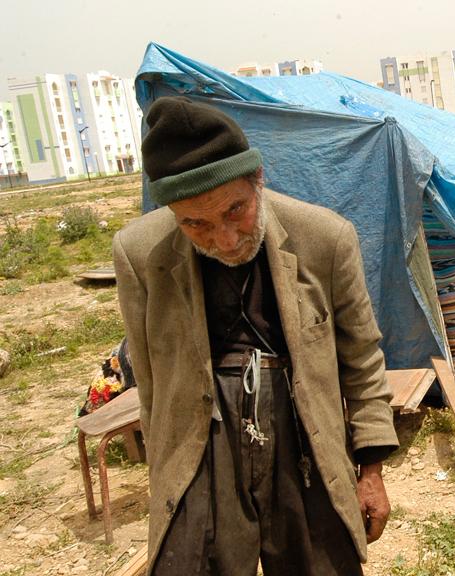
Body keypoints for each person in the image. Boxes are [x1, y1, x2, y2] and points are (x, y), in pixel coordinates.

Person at [113, 96, 398, 575]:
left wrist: (370, 470)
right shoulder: (141, 254)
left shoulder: (325, 239)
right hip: (200, 441)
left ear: (258, 181)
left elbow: (362, 360)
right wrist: (166, 480)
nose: (224, 240)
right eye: (195, 224)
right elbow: (152, 385)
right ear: (172, 214)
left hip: (302, 438)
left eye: (235, 211)